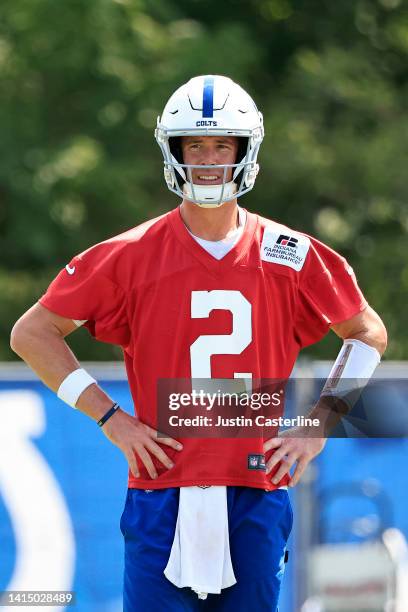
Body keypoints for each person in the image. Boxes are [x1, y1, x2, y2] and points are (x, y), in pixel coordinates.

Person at [10, 75, 387, 611]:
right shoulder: (129, 254)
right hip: (160, 486)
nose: (208, 158)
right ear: (173, 151)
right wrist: (110, 418)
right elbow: (31, 334)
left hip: (255, 485)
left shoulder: (290, 253)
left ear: (245, 150)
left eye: (221, 144)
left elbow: (368, 332)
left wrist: (317, 425)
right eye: (194, 144)